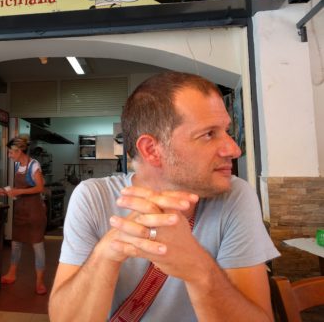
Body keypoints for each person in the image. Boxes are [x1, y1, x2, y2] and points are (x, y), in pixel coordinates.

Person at [49, 72, 280, 322]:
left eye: (226, 131)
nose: (234, 149)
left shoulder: (234, 196)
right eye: (209, 134)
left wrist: (198, 269)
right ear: (151, 150)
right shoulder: (93, 197)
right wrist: (109, 252)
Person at [0, 135, 48, 295]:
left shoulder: (34, 165)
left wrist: (19, 191)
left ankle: (39, 282)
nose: (10, 156)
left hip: (34, 212)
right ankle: (11, 274)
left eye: (11, 152)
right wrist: (5, 191)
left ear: (20, 151)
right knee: (16, 243)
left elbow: (40, 188)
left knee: (37, 246)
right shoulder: (19, 165)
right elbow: (19, 189)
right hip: (20, 210)